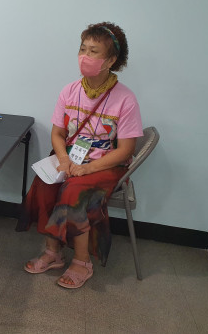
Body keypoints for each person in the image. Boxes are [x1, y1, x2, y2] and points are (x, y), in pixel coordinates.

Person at [16, 22, 142, 289]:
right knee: (45, 183)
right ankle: (53, 252)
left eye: (93, 51)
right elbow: (57, 133)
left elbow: (126, 149)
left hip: (106, 164)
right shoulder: (69, 91)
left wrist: (88, 168)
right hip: (72, 157)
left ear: (111, 60)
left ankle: (83, 262)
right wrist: (64, 159)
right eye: (82, 49)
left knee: (74, 191)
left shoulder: (125, 99)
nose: (85, 56)